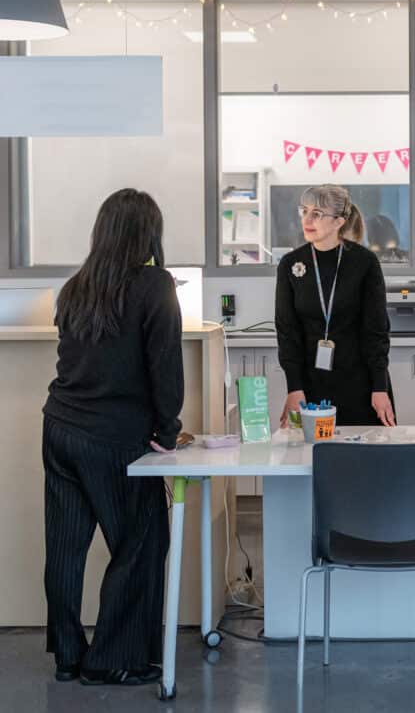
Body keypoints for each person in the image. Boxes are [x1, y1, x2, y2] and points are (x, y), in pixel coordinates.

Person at [42, 188, 183, 686]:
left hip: (60, 427)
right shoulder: (155, 284)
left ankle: (67, 654)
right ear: (148, 232)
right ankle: (114, 659)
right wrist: (168, 429)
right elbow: (165, 366)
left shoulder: (76, 286)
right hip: (116, 438)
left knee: (65, 546)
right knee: (141, 541)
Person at [276, 184, 396, 427]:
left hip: (361, 384)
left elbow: (376, 330)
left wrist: (379, 386)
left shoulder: (364, 262)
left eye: (317, 214)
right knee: (311, 459)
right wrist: (294, 387)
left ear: (339, 221)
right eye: (305, 211)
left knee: (365, 457)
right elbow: (287, 331)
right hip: (310, 387)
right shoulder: (291, 264)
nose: (307, 220)